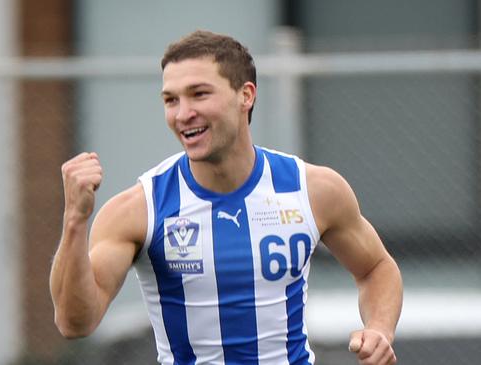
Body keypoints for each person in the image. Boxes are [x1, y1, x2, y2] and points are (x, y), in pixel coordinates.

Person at [50, 30, 403, 365]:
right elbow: (75, 322)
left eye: (199, 94)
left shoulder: (313, 189)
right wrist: (74, 222)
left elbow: (376, 268)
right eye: (171, 99)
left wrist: (380, 330)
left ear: (245, 95)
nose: (182, 113)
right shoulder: (140, 209)